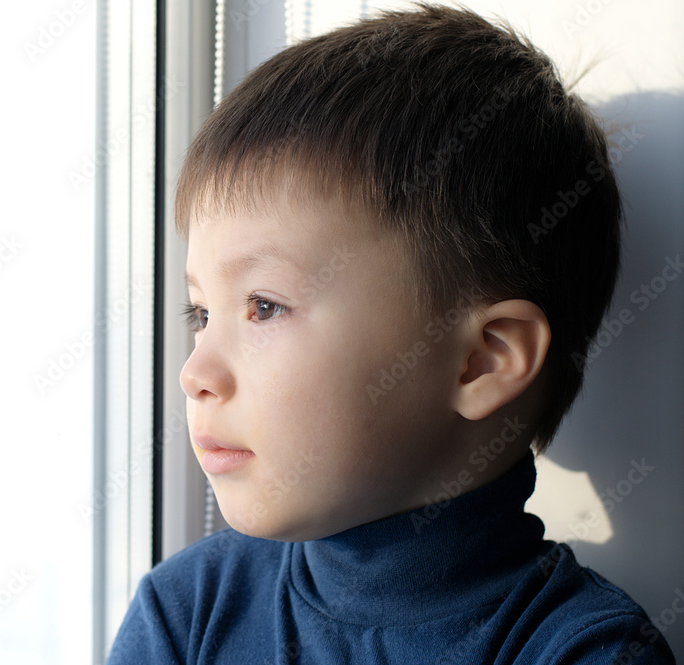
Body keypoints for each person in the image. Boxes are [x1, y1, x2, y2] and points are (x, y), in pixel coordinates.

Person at [106, 4, 676, 663]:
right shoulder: (187, 610)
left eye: (263, 306)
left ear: (481, 361)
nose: (195, 371)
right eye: (201, 314)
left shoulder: (583, 649)